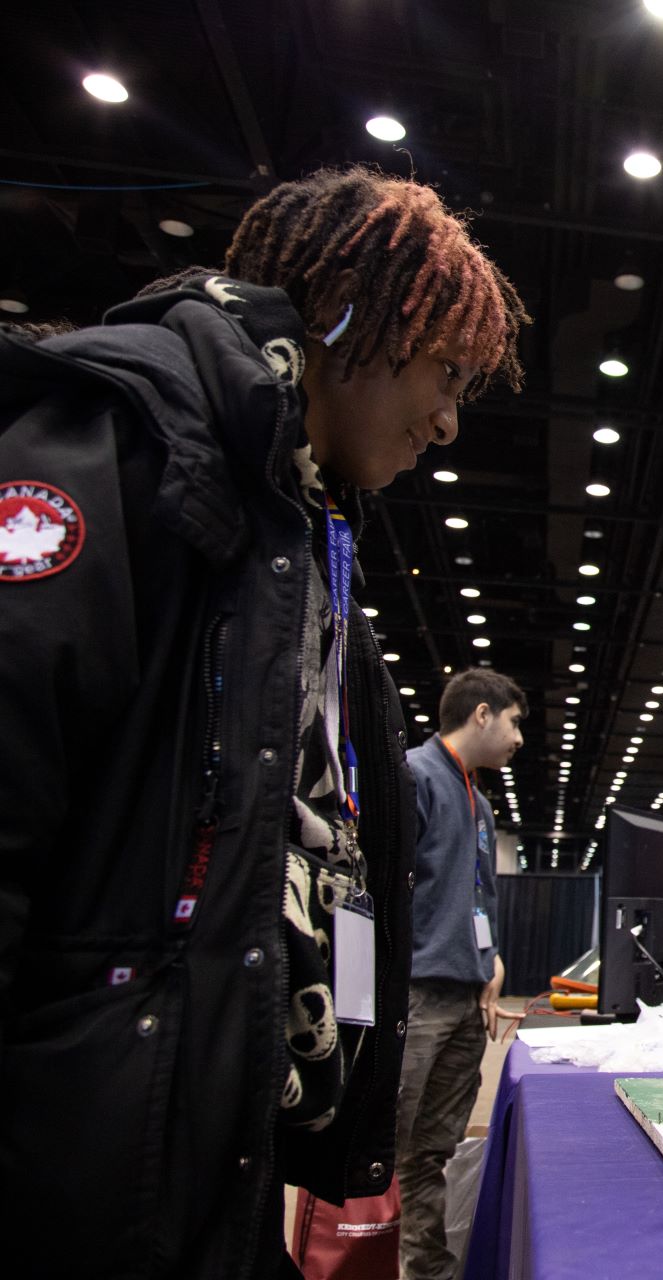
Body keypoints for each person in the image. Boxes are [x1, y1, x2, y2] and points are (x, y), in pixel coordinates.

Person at [0, 166, 526, 1275]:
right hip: (83, 1163)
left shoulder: (291, 526)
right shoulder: (115, 450)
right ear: (350, 323)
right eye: (443, 373)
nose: (445, 420)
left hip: (205, 1143)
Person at [399, 669, 526, 1279]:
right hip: (415, 997)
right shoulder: (413, 775)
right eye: (515, 721)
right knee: (391, 1146)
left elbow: (475, 895)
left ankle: (426, 1269)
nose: (519, 737)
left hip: (465, 998)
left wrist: (490, 959)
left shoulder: (478, 800)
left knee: (432, 1150)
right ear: (482, 713)